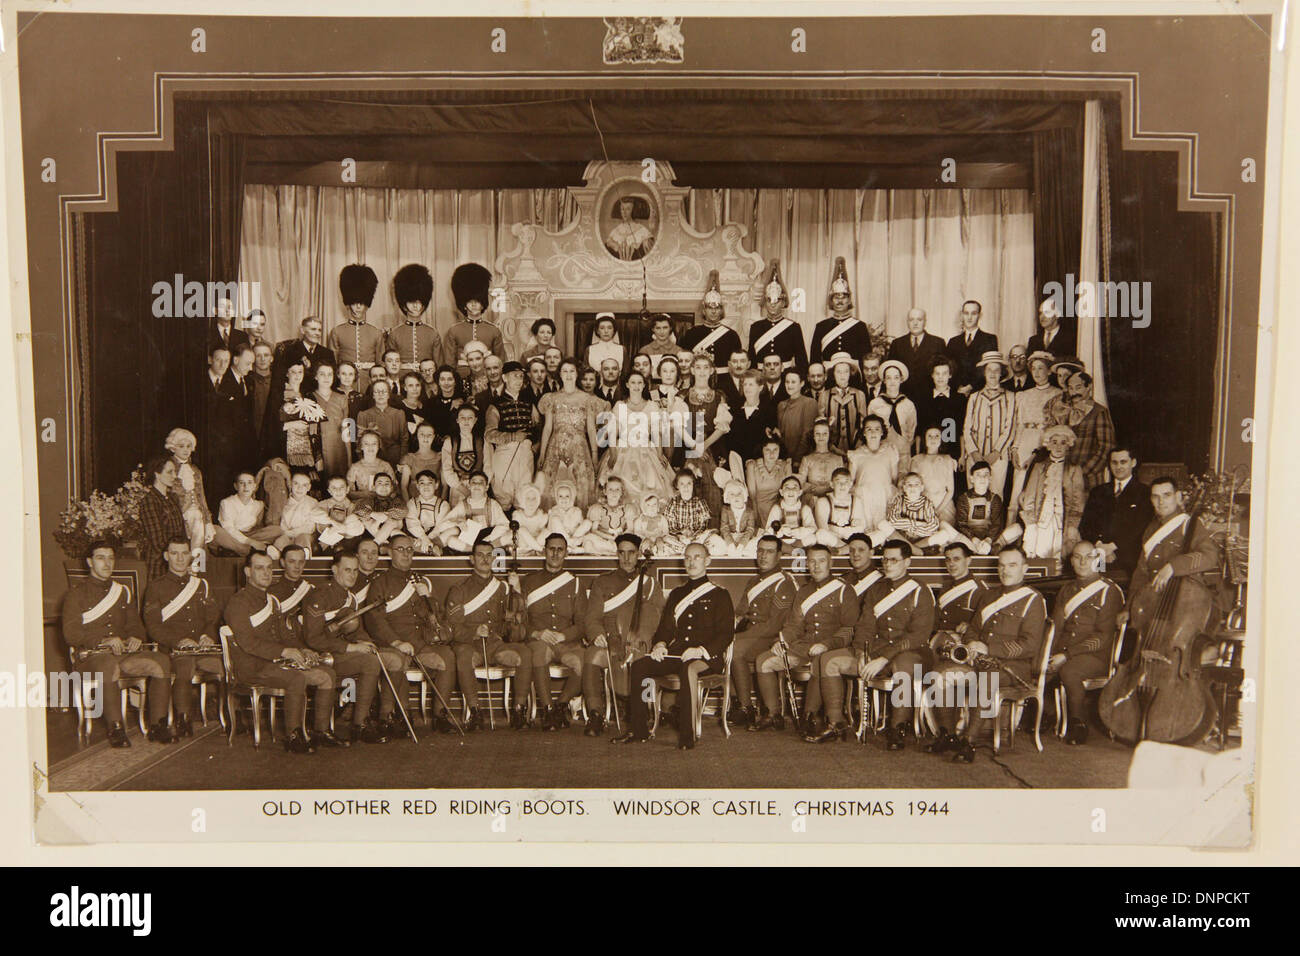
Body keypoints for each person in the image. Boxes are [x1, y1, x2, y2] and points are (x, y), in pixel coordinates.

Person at [814, 538, 936, 746]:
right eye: (885, 560)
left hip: (911, 653)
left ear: (907, 562)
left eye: (894, 560)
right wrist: (862, 652)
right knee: (828, 660)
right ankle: (836, 723)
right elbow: (865, 627)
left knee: (903, 665)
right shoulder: (876, 590)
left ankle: (897, 728)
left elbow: (918, 636)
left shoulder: (920, 590)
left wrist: (883, 658)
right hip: (876, 653)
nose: (887, 564)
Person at [614, 543, 735, 749]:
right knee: (640, 666)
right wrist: (660, 644)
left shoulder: (720, 595)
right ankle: (639, 729)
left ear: (707, 561)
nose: (691, 562)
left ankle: (688, 737)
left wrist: (700, 651)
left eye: (697, 557)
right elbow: (666, 628)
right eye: (687, 558)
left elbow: (726, 634)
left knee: (689, 669)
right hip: (677, 654)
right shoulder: (677, 594)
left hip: (707, 657)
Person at [223, 551, 339, 753]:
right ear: (248, 572)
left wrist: (302, 650)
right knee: (296, 679)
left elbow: (285, 634)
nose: (266, 573)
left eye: (269, 567)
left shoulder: (272, 601)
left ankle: (321, 731)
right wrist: (285, 651)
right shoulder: (238, 603)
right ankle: (293, 735)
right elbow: (248, 643)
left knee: (327, 675)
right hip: (252, 666)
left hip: (275, 663)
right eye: (260, 568)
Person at [62, 540, 176, 747]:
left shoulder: (122, 592)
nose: (107, 563)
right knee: (107, 665)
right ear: (89, 562)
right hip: (91, 657)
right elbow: (72, 634)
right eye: (100, 558)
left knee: (161, 661)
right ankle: (116, 728)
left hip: (122, 655)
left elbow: (136, 626)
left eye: (110, 558)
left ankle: (158, 725)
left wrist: (135, 637)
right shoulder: (75, 595)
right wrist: (103, 640)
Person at [362, 534, 460, 735]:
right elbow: (374, 620)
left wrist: (428, 597)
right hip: (393, 643)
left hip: (421, 642)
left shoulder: (419, 580)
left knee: (447, 657)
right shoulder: (380, 583)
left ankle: (440, 715)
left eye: (409, 550)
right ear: (390, 552)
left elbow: (435, 617)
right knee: (395, 661)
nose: (406, 554)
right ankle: (389, 716)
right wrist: (396, 642)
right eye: (400, 549)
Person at [758, 543, 858, 738]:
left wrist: (827, 644)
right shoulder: (803, 592)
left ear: (831, 563)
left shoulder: (844, 590)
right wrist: (782, 641)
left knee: (822, 661)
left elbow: (850, 629)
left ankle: (812, 716)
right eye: (811, 561)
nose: (816, 566)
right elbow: (794, 625)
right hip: (803, 648)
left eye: (821, 561)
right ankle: (773, 714)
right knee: (764, 661)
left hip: (832, 648)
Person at [298, 551, 390, 744]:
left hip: (338, 653)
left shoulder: (351, 598)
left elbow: (354, 631)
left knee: (371, 661)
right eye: (347, 570)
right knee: (367, 662)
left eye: (355, 571)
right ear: (334, 570)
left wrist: (365, 641)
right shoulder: (319, 595)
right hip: (319, 655)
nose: (352, 575)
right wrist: (351, 648)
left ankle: (360, 724)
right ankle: (320, 731)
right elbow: (313, 639)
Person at [447, 534, 533, 730]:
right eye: (480, 555)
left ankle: (519, 710)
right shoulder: (459, 589)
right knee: (464, 656)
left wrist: (516, 590)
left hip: (495, 645)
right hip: (470, 645)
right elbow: (452, 627)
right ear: (472, 559)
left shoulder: (503, 588)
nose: (485, 559)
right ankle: (475, 712)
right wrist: (474, 631)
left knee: (525, 653)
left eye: (489, 555)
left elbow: (516, 620)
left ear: (494, 558)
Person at [582, 533, 664, 736]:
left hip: (639, 641)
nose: (626, 559)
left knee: (644, 659)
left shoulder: (650, 583)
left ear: (638, 555)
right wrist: (597, 634)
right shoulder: (602, 582)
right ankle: (596, 713)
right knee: (592, 656)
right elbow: (591, 618)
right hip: (611, 640)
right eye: (622, 553)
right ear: (616, 554)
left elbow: (660, 617)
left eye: (631, 553)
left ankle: (642, 709)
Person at [1120, 477, 1224, 634]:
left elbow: (1209, 556)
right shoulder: (1150, 530)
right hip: (1153, 604)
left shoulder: (1189, 525)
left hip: (1182, 605)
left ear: (1178, 496)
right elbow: (1141, 572)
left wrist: (1173, 566)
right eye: (1156, 496)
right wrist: (1129, 607)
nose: (1161, 501)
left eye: (1166, 495)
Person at [143, 536, 222, 738]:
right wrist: (178, 641)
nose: (179, 558)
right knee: (184, 665)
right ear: (166, 556)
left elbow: (213, 618)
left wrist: (207, 635)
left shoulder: (201, 585)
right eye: (174, 553)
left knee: (227, 665)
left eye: (184, 553)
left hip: (202, 648)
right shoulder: (155, 587)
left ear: (190, 556)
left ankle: (230, 717)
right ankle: (184, 718)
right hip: (173, 649)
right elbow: (153, 626)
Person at [1048, 541, 1124, 745]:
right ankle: (1035, 717)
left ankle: (1078, 723)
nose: (1082, 562)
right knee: (1037, 666)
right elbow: (1055, 627)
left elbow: (1103, 637)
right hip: (1063, 651)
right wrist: (1047, 654)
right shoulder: (1066, 589)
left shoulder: (1109, 591)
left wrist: (1067, 655)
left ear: (1097, 559)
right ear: (1071, 561)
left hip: (1096, 656)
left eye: (1088, 557)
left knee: (1069, 671)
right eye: (1077, 557)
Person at [516, 534, 588, 730]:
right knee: (539, 652)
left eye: (560, 549)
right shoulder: (528, 582)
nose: (555, 553)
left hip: (567, 642)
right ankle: (547, 710)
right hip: (540, 641)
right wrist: (537, 633)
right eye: (551, 549)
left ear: (566, 553)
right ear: (543, 551)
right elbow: (519, 619)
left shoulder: (575, 583)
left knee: (585, 661)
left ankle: (561, 704)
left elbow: (583, 623)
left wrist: (565, 635)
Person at [732, 535, 798, 729]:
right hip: (753, 634)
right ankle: (737, 703)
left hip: (772, 637)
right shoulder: (753, 581)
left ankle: (746, 707)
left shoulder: (784, 582)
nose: (763, 556)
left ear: (779, 556)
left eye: (769, 552)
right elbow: (741, 611)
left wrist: (739, 637)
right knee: (725, 644)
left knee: (735, 649)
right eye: (760, 550)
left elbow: (774, 624)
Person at [596, 369, 677, 510]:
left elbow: (655, 432)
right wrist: (613, 453)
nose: (636, 386)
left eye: (640, 382)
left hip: (646, 450)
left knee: (650, 483)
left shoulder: (652, 406)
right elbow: (613, 432)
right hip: (623, 450)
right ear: (627, 384)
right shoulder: (620, 405)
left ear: (644, 385)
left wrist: (659, 453)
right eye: (633, 382)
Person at [1078, 447, 1153, 584]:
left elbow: (1141, 527)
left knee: (1124, 592)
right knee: (1097, 587)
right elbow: (1085, 525)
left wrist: (1113, 546)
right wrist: (1100, 547)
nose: (1119, 467)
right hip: (1099, 555)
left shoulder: (1145, 493)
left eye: (1123, 462)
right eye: (1114, 462)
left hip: (1130, 559)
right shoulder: (1098, 492)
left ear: (1133, 462)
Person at [1006, 350, 1063, 524]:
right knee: (1017, 489)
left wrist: (1036, 453)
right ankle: (1009, 532)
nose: (1037, 373)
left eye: (1041, 368)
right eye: (1034, 369)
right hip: (1025, 440)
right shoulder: (1023, 395)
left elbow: (1055, 427)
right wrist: (1015, 448)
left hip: (1044, 442)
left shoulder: (1057, 394)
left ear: (1048, 371)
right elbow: (1019, 423)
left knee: (1038, 488)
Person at [537, 360, 600, 510]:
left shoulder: (587, 399)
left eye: (572, 371)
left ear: (577, 374)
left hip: (579, 447)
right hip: (556, 446)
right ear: (560, 374)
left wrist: (595, 454)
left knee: (581, 483)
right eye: (564, 371)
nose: (568, 375)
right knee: (552, 483)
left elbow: (591, 429)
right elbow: (547, 428)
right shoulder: (551, 398)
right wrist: (542, 453)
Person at [1018, 424, 1086, 560]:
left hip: (1064, 521)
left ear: (1068, 445)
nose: (1058, 446)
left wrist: (1073, 525)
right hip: (1042, 520)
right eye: (1054, 442)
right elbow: (1030, 498)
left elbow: (1078, 501)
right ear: (1048, 445)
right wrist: (1031, 524)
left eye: (1063, 442)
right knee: (1041, 553)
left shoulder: (1074, 469)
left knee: (1062, 555)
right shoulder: (1039, 467)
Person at [483, 361, 538, 511]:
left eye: (521, 377)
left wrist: (532, 446)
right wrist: (513, 436)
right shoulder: (496, 405)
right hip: (504, 454)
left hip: (526, 454)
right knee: (503, 497)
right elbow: (489, 435)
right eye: (515, 376)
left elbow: (538, 428)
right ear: (505, 378)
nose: (519, 380)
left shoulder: (529, 403)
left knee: (524, 497)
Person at [682, 353, 731, 520]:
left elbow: (722, 426)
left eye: (705, 367)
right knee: (690, 483)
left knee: (714, 487)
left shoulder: (719, 396)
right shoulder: (682, 395)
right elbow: (677, 424)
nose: (702, 371)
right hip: (689, 444)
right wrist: (695, 447)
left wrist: (704, 445)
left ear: (711, 371)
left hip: (714, 444)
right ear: (692, 370)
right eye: (698, 367)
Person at [962, 351, 1015, 496]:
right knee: (974, 495)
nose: (993, 374)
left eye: (997, 370)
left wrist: (996, 453)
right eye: (989, 370)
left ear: (1002, 373)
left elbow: (1009, 428)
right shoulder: (974, 397)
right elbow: (967, 428)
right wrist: (973, 452)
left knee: (996, 495)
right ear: (984, 372)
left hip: (998, 458)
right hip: (975, 456)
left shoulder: (1010, 397)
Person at [329, 264, 385, 390]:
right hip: (345, 383)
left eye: (362, 302)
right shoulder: (337, 332)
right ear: (348, 303)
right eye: (354, 302)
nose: (358, 307)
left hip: (369, 384)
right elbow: (333, 364)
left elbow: (380, 364)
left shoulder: (376, 333)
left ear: (367, 304)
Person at [748, 258, 808, 372]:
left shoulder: (793, 328)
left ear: (783, 302)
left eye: (777, 301)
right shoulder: (756, 327)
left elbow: (802, 361)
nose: (773, 305)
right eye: (769, 300)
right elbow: (752, 361)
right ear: (765, 302)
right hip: (762, 377)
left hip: (786, 378)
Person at [809, 257, 871, 367]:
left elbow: (865, 360)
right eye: (836, 297)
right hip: (828, 379)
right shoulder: (821, 327)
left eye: (843, 297)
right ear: (831, 301)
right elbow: (815, 360)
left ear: (849, 300)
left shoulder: (860, 327)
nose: (840, 301)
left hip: (853, 377)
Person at [163, 428, 214, 560]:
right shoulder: (167, 468)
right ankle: (194, 564)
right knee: (196, 518)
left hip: (196, 513)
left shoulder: (195, 471)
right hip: (176, 512)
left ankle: (197, 568)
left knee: (198, 519)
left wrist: (208, 522)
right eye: (181, 446)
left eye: (188, 446)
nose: (186, 450)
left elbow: (201, 497)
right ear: (173, 448)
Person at [445, 263, 505, 373]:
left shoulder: (493, 330)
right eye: (469, 301)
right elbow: (450, 364)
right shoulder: (454, 331)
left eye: (478, 300)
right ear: (463, 303)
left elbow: (500, 361)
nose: (474, 304)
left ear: (483, 303)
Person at [846, 416, 899, 541]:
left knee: (884, 527)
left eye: (877, 429)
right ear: (864, 433)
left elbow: (894, 477)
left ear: (882, 432)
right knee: (865, 530)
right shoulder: (857, 454)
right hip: (863, 496)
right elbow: (850, 480)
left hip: (884, 495)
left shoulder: (890, 451)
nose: (873, 432)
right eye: (869, 429)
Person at [680, 269, 742, 376]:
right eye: (710, 308)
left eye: (717, 308)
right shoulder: (692, 334)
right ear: (704, 310)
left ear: (721, 310)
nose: (713, 311)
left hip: (724, 380)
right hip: (699, 379)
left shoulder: (731, 335)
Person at [386, 263, 443, 376]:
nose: (416, 306)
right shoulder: (395, 333)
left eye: (420, 302)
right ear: (403, 305)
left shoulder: (432, 333)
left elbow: (438, 364)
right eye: (412, 302)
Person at [952, 460, 1018, 554]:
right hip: (970, 540)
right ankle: (985, 550)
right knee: (944, 526)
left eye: (986, 474)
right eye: (978, 474)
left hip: (990, 540)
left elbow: (997, 524)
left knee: (1017, 528)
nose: (982, 478)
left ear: (990, 478)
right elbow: (961, 524)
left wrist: (988, 540)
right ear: (972, 479)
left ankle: (986, 549)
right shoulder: (964, 498)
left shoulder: (995, 498)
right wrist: (974, 539)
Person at [138, 455, 189, 580]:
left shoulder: (173, 498)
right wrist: (176, 558)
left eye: (174, 472)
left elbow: (182, 532)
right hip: (160, 565)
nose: (174, 476)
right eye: (169, 472)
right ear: (157, 474)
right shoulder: (149, 501)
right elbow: (158, 541)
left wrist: (184, 557)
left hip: (178, 563)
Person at [1065, 371, 1117, 491]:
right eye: (1071, 388)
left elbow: (1106, 448)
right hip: (1065, 479)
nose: (1074, 392)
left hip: (1090, 480)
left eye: (1078, 387)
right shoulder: (1065, 412)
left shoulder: (1099, 411)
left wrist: (1081, 472)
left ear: (1088, 387)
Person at [213, 472, 281, 555]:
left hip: (251, 535)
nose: (246, 486)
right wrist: (251, 542)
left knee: (277, 530)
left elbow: (258, 527)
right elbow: (229, 528)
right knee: (215, 530)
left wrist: (255, 538)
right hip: (231, 536)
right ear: (236, 486)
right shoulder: (226, 503)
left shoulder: (259, 505)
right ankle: (250, 550)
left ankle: (238, 550)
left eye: (249, 483)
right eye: (242, 483)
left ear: (254, 486)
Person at [886, 307, 947, 401]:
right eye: (911, 320)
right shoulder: (897, 343)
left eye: (919, 319)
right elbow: (891, 371)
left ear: (925, 322)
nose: (915, 323)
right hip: (903, 396)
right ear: (907, 322)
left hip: (930, 397)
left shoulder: (938, 343)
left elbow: (944, 372)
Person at [440, 471, 510, 552]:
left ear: (486, 487)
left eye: (481, 482)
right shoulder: (462, 504)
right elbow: (443, 524)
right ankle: (476, 550)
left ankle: (484, 548)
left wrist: (489, 539)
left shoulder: (493, 504)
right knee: (451, 540)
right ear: (469, 486)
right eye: (474, 482)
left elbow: (505, 525)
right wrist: (459, 522)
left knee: (511, 536)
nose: (477, 485)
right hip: (469, 540)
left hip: (489, 539)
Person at [915, 355, 966, 461]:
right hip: (928, 453)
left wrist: (962, 456)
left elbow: (961, 430)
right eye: (937, 373)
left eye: (944, 373)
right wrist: (917, 455)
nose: (940, 377)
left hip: (952, 453)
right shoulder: (923, 399)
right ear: (932, 375)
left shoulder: (959, 399)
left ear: (950, 375)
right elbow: (919, 431)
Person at [868, 359, 917, 472]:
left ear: (901, 380)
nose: (892, 382)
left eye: (896, 377)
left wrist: (905, 445)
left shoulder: (908, 405)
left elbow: (911, 430)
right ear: (884, 380)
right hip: (881, 451)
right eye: (888, 378)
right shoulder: (875, 404)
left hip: (903, 452)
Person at [885, 472, 954, 551]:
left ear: (922, 488)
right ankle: (914, 550)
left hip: (921, 538)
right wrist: (918, 524)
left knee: (944, 534)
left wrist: (912, 529)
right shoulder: (899, 500)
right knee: (883, 525)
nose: (912, 488)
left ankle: (910, 549)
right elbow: (893, 520)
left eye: (916, 485)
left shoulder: (927, 503)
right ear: (904, 487)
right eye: (909, 485)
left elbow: (933, 526)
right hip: (902, 537)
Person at [933, 541, 987, 636]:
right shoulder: (945, 586)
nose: (951, 564)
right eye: (948, 560)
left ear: (968, 561)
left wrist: (969, 626)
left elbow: (985, 624)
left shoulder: (978, 589)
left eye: (956, 559)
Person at [945, 299, 999, 394]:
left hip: (981, 392)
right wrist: (958, 387)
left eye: (973, 313)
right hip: (957, 393)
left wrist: (971, 386)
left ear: (980, 315)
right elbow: (949, 369)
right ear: (962, 315)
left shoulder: (990, 339)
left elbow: (991, 367)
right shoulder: (953, 342)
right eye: (966, 313)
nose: (969, 317)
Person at [663, 468, 721, 555]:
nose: (686, 487)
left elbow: (704, 523)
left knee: (713, 536)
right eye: (682, 484)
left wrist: (694, 534)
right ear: (677, 486)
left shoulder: (699, 502)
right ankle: (684, 548)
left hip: (697, 537)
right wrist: (680, 533)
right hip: (679, 537)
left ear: (693, 484)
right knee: (666, 539)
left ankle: (692, 547)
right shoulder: (673, 502)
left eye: (689, 483)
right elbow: (670, 524)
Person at [273, 315, 337, 393]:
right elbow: (279, 379)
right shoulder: (289, 351)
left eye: (319, 330)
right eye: (313, 329)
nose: (317, 333)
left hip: (320, 398)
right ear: (302, 330)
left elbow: (333, 382)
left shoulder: (327, 354)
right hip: (295, 396)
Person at [819, 353, 867, 454]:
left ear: (850, 373)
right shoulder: (825, 395)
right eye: (839, 372)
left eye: (846, 371)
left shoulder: (859, 395)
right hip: (832, 449)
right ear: (833, 374)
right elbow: (821, 424)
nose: (842, 375)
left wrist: (858, 445)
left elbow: (863, 423)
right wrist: (831, 446)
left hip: (855, 448)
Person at [727, 370, 777, 467]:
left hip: (759, 464)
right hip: (736, 462)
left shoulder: (768, 411)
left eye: (751, 384)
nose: (747, 388)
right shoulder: (734, 409)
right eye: (745, 384)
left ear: (760, 387)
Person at [441, 404, 486, 507]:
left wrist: (480, 486)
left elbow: (488, 467)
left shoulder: (482, 442)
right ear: (457, 420)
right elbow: (447, 469)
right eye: (462, 418)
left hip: (478, 487)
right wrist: (461, 488)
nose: (466, 421)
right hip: (457, 488)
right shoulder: (450, 442)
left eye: (470, 418)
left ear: (475, 420)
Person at [911, 426, 957, 524]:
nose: (933, 439)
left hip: (944, 505)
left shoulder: (947, 459)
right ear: (925, 439)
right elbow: (913, 488)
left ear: (941, 439)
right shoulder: (917, 460)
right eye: (930, 436)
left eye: (937, 436)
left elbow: (950, 490)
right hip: (922, 503)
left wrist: (938, 510)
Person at [311, 363, 351, 479]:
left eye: (330, 374)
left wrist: (350, 458)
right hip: (320, 450)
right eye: (322, 374)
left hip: (339, 450)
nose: (326, 378)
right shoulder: (310, 398)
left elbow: (348, 430)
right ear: (316, 376)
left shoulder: (342, 398)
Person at [356, 378, 406, 468]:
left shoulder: (399, 414)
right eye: (377, 392)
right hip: (371, 459)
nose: (380, 394)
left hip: (395, 459)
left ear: (388, 395)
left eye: (384, 391)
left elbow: (404, 440)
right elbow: (359, 443)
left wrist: (402, 462)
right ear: (373, 395)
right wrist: (364, 464)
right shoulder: (363, 415)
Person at [815, 466, 868, 551]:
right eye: (838, 482)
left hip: (852, 538)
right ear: (832, 484)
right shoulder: (823, 501)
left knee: (880, 533)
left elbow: (861, 527)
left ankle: (845, 550)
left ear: (851, 484)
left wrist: (855, 525)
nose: (842, 485)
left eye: (846, 482)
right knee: (821, 534)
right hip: (833, 540)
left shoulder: (856, 500)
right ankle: (849, 549)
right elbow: (823, 528)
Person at [583, 475, 638, 555]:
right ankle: (611, 551)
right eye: (610, 489)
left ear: (622, 492)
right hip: (603, 539)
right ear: (605, 491)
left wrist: (619, 538)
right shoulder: (598, 508)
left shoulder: (627, 508)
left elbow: (630, 529)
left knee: (630, 542)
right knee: (588, 538)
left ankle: (608, 551)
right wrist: (610, 538)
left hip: (621, 539)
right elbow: (594, 530)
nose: (614, 492)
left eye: (617, 489)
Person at [274, 471, 325, 553]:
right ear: (290, 484)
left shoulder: (312, 502)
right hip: (286, 533)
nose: (299, 488)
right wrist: (286, 532)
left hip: (305, 533)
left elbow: (310, 526)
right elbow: (282, 521)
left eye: (304, 485)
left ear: (309, 487)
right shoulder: (284, 501)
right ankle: (276, 553)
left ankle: (303, 553)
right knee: (280, 541)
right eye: (296, 483)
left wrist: (294, 532)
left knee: (303, 539)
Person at [796, 419, 845, 504]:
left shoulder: (838, 459)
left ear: (829, 435)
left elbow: (842, 482)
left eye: (824, 433)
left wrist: (827, 489)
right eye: (817, 434)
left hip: (833, 502)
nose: (821, 437)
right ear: (813, 436)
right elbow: (801, 483)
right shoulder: (807, 459)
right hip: (812, 501)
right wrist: (815, 489)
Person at [776, 367, 819, 465]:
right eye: (787, 382)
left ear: (802, 383)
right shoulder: (781, 405)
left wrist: (797, 459)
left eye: (793, 382)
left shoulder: (809, 403)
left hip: (801, 460)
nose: (789, 385)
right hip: (784, 459)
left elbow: (807, 434)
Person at [746, 437, 791, 527]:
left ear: (779, 450)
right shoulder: (752, 465)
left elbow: (789, 490)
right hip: (758, 506)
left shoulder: (785, 465)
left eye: (775, 450)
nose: (772, 454)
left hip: (779, 505)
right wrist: (755, 517)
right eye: (767, 450)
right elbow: (752, 495)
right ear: (762, 450)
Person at [347, 429, 399, 506]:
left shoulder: (385, 466)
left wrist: (384, 496)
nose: (370, 447)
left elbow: (395, 489)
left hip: (384, 503)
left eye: (374, 443)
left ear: (379, 446)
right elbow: (349, 493)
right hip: (363, 504)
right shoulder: (355, 467)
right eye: (366, 444)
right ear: (361, 446)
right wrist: (364, 494)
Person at [767, 475, 818, 550]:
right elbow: (768, 528)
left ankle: (791, 550)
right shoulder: (777, 508)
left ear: (800, 492)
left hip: (799, 539)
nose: (791, 491)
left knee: (812, 538)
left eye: (794, 488)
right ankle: (789, 550)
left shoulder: (805, 508)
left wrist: (799, 531)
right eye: (787, 488)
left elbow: (813, 528)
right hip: (782, 539)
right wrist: (780, 530)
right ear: (781, 492)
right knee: (766, 537)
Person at [405, 470, 449, 555]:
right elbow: (412, 524)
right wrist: (423, 537)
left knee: (451, 533)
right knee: (405, 540)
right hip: (417, 536)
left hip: (435, 537)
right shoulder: (412, 502)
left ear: (436, 485)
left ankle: (426, 548)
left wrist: (426, 539)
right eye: (422, 483)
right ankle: (431, 549)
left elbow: (440, 527)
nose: (426, 486)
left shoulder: (443, 504)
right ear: (417, 486)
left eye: (430, 483)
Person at [317, 475, 366, 549]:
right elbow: (321, 525)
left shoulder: (353, 506)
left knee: (354, 520)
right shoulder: (323, 504)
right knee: (321, 517)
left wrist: (341, 530)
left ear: (347, 489)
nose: (338, 491)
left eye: (341, 487)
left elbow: (356, 528)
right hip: (327, 538)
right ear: (329, 491)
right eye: (334, 488)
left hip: (348, 539)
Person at [398, 423, 442, 501]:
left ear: (434, 437)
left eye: (429, 434)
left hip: (436, 504)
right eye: (422, 434)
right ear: (417, 436)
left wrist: (441, 505)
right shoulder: (408, 459)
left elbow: (445, 486)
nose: (425, 437)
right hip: (414, 503)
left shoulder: (440, 458)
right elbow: (403, 487)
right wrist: (409, 506)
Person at [605, 195, 654, 260]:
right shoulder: (616, 230)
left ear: (633, 211)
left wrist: (645, 243)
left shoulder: (641, 229)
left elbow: (650, 249)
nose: (624, 212)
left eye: (628, 209)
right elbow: (608, 245)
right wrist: (613, 245)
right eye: (622, 209)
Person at [718, 479, 758, 557]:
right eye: (731, 494)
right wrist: (730, 544)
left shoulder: (750, 512)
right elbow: (724, 528)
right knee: (716, 543)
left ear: (744, 496)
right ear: (727, 498)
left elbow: (750, 529)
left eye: (739, 493)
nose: (736, 496)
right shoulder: (725, 510)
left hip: (745, 538)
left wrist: (742, 544)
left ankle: (743, 551)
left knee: (756, 543)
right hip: (728, 538)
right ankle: (731, 550)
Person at [395, 372, 431, 453]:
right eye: (410, 385)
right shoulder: (399, 408)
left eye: (417, 385)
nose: (415, 389)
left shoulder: (427, 407)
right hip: (406, 451)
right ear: (405, 388)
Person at [510, 482, 549, 555]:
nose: (531, 502)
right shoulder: (518, 515)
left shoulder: (541, 515)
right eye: (528, 498)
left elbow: (542, 532)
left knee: (547, 531)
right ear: (523, 500)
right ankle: (539, 549)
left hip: (537, 540)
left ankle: (533, 549)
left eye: (534, 498)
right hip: (523, 543)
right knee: (521, 529)